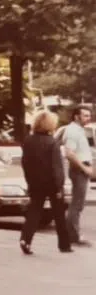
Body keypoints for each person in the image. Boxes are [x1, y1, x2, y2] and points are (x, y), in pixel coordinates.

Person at [20, 110, 72, 254]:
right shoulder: (52, 142)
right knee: (59, 214)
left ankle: (26, 239)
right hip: (51, 183)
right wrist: (59, 186)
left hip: (35, 182)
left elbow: (25, 163)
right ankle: (64, 245)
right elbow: (57, 167)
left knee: (34, 211)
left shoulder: (28, 141)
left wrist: (29, 181)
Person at [59, 106, 93, 247]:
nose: (88, 118)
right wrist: (84, 167)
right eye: (85, 115)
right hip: (79, 170)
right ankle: (73, 236)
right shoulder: (73, 131)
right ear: (76, 117)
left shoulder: (78, 130)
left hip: (82, 169)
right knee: (77, 204)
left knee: (78, 203)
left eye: (89, 115)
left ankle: (71, 234)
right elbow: (69, 153)